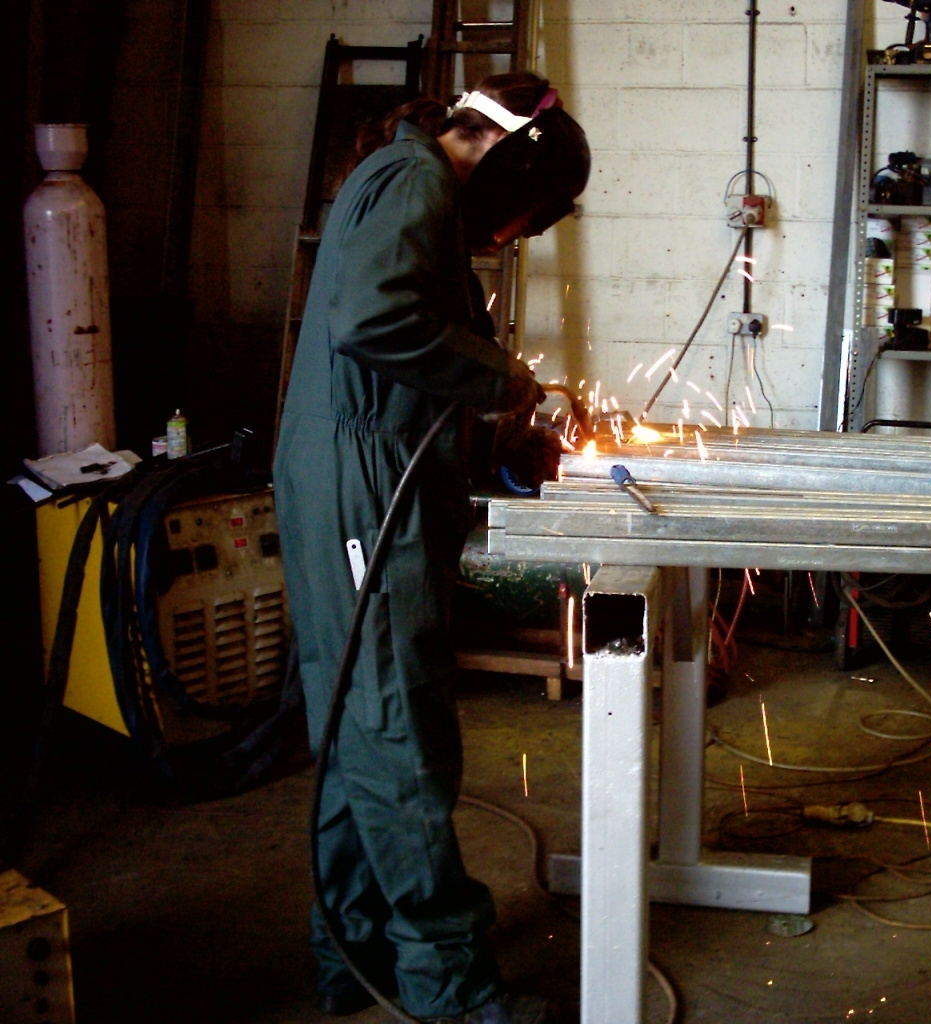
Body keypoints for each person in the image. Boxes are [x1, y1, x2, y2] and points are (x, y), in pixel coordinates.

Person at [273, 72, 589, 1024]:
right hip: (360, 494)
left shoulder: (407, 186)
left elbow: (410, 358)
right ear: (507, 160)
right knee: (399, 733)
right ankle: (448, 989)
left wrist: (499, 437)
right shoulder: (416, 185)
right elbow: (373, 324)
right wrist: (500, 379)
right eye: (525, 215)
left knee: (355, 729)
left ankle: (350, 952)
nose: (511, 236)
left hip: (352, 478)